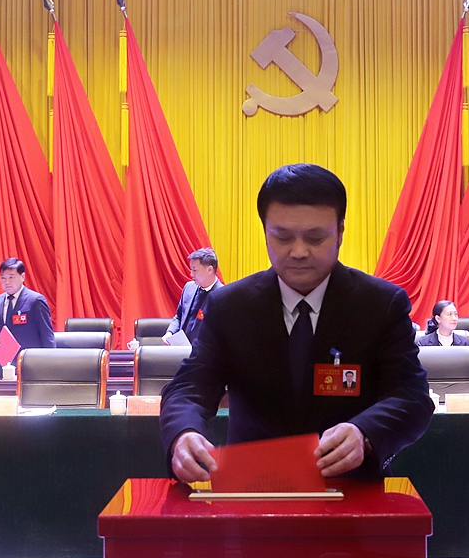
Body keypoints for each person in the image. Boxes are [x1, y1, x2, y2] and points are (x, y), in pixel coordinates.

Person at [159, 163, 433, 482]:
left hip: (350, 490)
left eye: (316, 238)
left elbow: (412, 396)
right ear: (265, 232)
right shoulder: (230, 306)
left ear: (340, 232)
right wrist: (183, 433)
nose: (299, 252)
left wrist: (365, 432)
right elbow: (190, 386)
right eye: (282, 237)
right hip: (252, 491)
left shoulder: (379, 305)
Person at [0, 258, 55, 359]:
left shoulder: (35, 301)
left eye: (11, 277)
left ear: (22, 277)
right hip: (4, 361)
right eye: (3, 278)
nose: (7, 282)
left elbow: (46, 334)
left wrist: (50, 360)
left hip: (30, 361)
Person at [160, 248, 223, 345]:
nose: (191, 274)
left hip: (205, 351)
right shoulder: (189, 287)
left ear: (209, 270)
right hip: (181, 349)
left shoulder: (223, 295)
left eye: (195, 270)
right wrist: (170, 332)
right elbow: (179, 316)